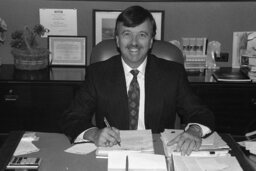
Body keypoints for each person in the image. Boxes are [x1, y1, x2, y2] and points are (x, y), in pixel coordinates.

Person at [60, 5, 214, 156]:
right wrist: (94, 134)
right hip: (112, 152)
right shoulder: (98, 73)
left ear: (151, 41)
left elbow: (200, 112)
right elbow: (72, 117)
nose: (134, 42)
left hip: (158, 152)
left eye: (142, 35)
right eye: (127, 34)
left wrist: (194, 131)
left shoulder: (172, 73)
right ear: (117, 40)